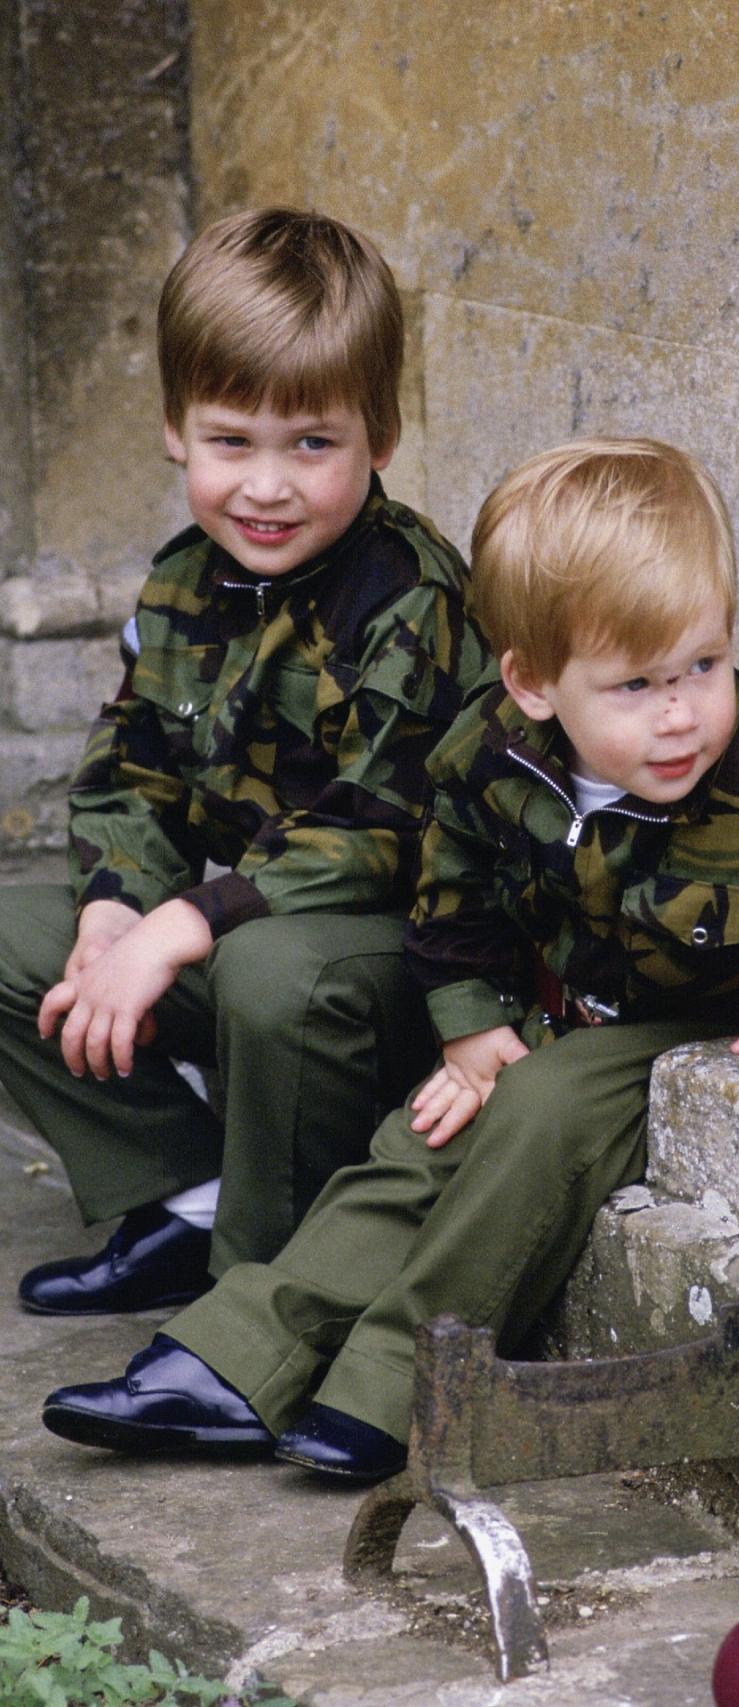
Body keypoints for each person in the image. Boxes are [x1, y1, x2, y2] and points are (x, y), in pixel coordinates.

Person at [40, 437, 739, 1479]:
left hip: (706, 1024)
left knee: (542, 1112)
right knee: (422, 1137)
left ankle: (397, 1384)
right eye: (636, 683)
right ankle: (237, 1354)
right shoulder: (492, 756)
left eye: (705, 663)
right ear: (533, 684)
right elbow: (451, 888)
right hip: (572, 1007)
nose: (681, 714)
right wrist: (470, 1027)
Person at [3, 206, 489, 1315]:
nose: (266, 487)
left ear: (382, 434)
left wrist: (183, 923)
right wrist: (116, 911)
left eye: (312, 444)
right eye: (232, 442)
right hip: (228, 921)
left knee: (274, 976)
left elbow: (381, 828)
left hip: (379, 962)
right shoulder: (185, 577)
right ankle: (187, 1195)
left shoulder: (409, 594)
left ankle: (257, 1298)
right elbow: (131, 767)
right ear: (176, 427)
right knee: (17, 944)